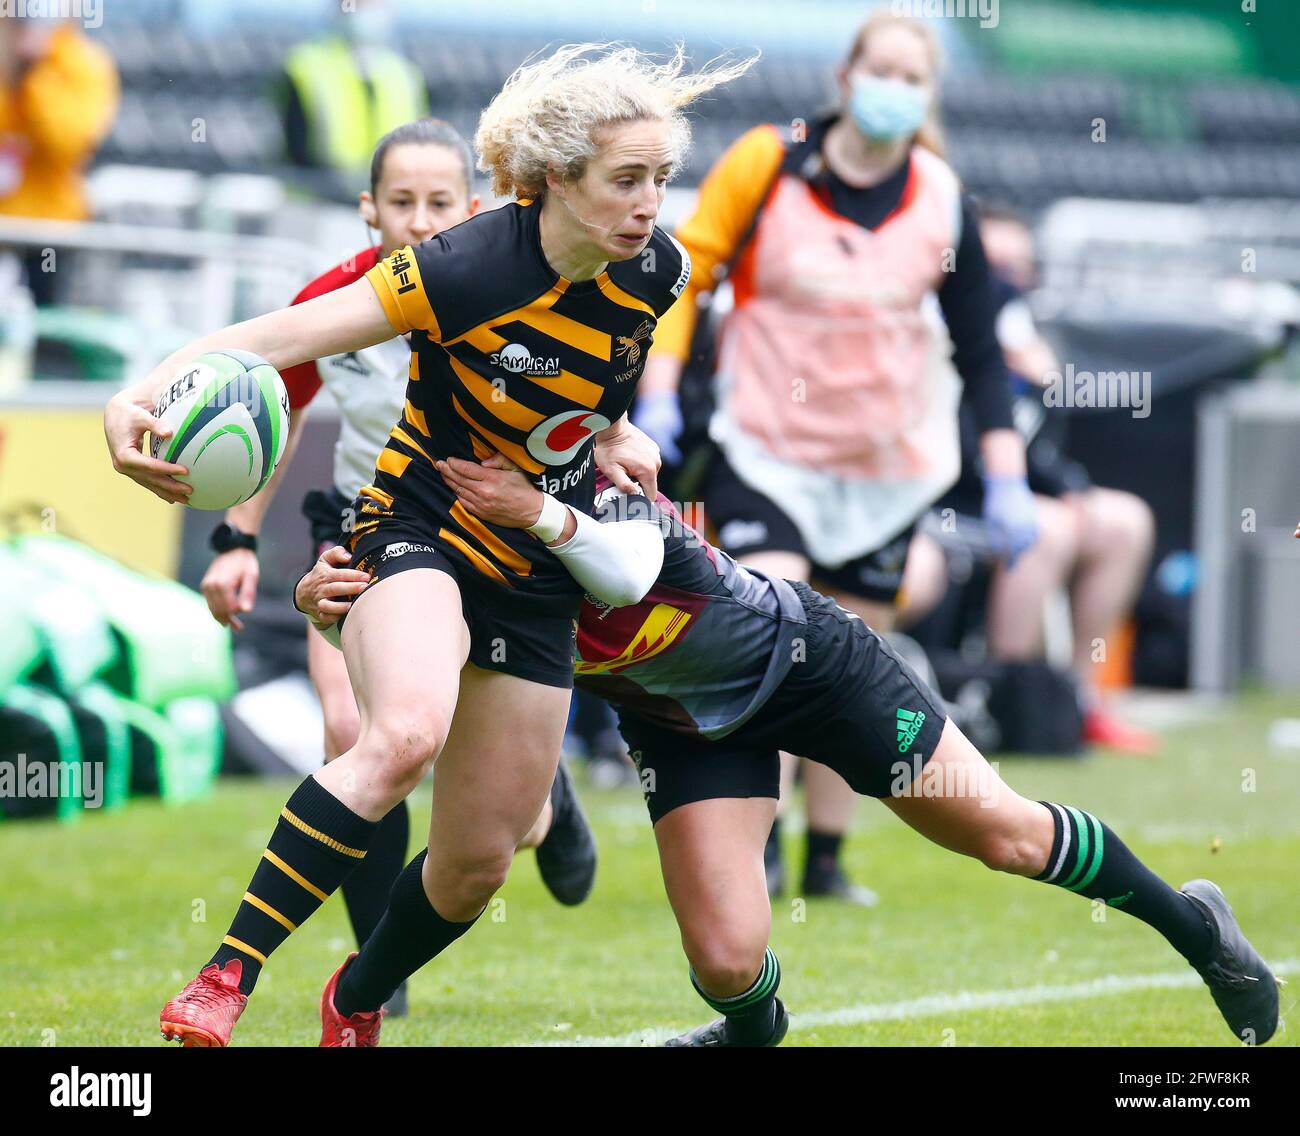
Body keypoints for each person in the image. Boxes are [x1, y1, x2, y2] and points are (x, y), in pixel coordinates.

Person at [104, 42, 754, 1047]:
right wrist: (135, 396)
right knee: (402, 732)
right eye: (627, 180)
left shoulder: (654, 269)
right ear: (553, 182)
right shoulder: (460, 267)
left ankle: (354, 996)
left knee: (475, 865)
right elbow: (273, 341)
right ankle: (224, 974)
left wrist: (616, 436)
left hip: (536, 566)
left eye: (661, 180)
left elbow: (590, 396)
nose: (649, 205)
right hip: (419, 526)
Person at [299, 454, 1281, 1048]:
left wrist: (544, 510)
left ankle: (1197, 928)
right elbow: (411, 653)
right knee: (727, 960)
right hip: (684, 727)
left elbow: (627, 555)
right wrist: (333, 604)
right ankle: (751, 1031)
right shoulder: (439, 549)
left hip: (818, 670)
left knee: (1006, 835)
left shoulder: (591, 492)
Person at [196, 118, 601, 1021]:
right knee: (358, 730)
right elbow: (274, 406)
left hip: (492, 540)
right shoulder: (337, 299)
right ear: (368, 208)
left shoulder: (511, 288)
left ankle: (550, 807)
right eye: (402, 203)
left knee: (492, 816)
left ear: (477, 206)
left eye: (440, 203)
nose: (420, 222)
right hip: (364, 527)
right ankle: (381, 969)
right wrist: (236, 541)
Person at [635, 10, 1037, 904]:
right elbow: (685, 277)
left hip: (884, 469)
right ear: (848, 77)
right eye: (880, 68)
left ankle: (825, 856)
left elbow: (980, 353)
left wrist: (1005, 474)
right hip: (767, 446)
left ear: (927, 94)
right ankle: (757, 850)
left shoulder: (940, 196)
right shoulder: (769, 163)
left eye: (913, 75)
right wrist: (659, 388)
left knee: (857, 651)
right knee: (771, 630)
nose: (895, 87)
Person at [902, 208, 1160, 754]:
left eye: (1020, 267)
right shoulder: (938, 335)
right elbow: (968, 449)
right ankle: (1005, 699)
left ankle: (1080, 699)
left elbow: (1042, 445)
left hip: (1016, 497)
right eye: (996, 265)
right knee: (1049, 528)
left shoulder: (1029, 340)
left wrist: (1042, 397)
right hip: (948, 505)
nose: (1008, 280)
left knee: (1125, 522)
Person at [0, 12, 119, 304]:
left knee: (47, 330)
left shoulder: (83, 64)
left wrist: (35, 73)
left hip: (50, 228)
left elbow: (68, 141)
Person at [279, 0, 428, 197]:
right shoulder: (305, 66)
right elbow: (295, 147)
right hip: (318, 202)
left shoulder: (404, 74)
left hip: (387, 201)